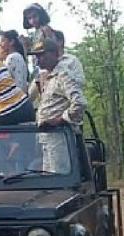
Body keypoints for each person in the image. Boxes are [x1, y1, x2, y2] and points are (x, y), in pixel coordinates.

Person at [33, 38, 87, 172]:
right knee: (49, 178)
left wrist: (59, 120)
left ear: (54, 54)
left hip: (59, 138)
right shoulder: (49, 77)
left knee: (59, 176)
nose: (38, 60)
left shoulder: (64, 74)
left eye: (42, 55)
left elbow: (79, 103)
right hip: (47, 138)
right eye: (37, 56)